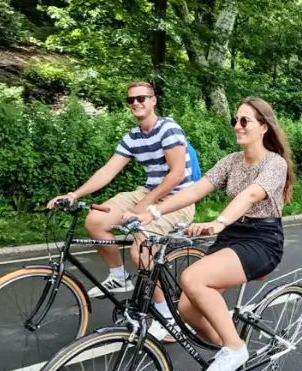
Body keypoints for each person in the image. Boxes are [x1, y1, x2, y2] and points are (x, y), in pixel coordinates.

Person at [124, 96, 295, 371]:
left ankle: (235, 349)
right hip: (233, 235)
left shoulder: (274, 163)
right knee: (187, 307)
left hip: (262, 240)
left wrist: (218, 222)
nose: (237, 126)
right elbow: (196, 189)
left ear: (264, 127)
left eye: (245, 121)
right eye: (235, 120)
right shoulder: (231, 162)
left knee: (193, 278)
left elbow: (251, 194)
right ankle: (237, 360)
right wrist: (153, 212)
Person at [47, 81, 200, 340]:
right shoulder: (134, 136)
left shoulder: (169, 129)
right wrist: (74, 194)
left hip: (180, 199)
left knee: (139, 249)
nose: (136, 103)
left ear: (153, 101)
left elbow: (176, 175)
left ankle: (168, 318)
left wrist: (145, 206)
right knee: (96, 220)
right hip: (149, 191)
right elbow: (108, 170)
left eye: (142, 98)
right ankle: (120, 277)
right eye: (131, 100)